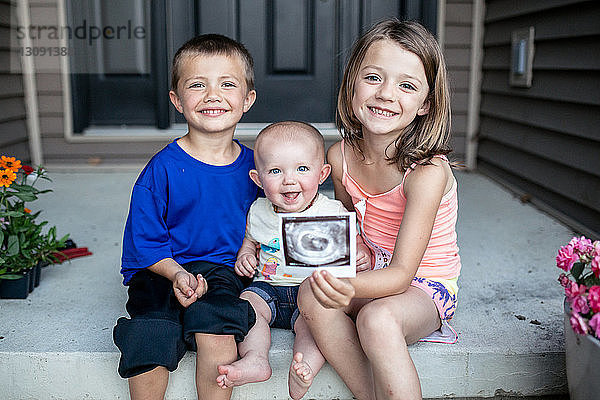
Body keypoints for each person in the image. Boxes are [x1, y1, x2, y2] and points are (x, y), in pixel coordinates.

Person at [297, 19, 461, 400]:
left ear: (426, 104)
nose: (386, 94)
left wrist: (349, 288)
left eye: (406, 85)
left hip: (424, 283)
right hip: (374, 272)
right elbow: (347, 228)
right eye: (373, 77)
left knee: (377, 319)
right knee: (310, 294)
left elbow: (403, 275)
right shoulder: (339, 158)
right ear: (353, 83)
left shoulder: (427, 172)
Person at [113, 34, 259, 400]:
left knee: (220, 323)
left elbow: (266, 221)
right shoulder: (161, 170)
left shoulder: (257, 169)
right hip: (163, 269)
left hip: (222, 270)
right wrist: (177, 273)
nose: (213, 95)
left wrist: (249, 250)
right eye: (198, 85)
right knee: (150, 331)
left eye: (228, 84)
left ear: (247, 99)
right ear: (177, 101)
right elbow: (144, 242)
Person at [215, 121, 371, 399]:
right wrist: (246, 256)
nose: (289, 179)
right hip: (268, 288)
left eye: (302, 169)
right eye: (275, 171)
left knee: (315, 326)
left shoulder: (332, 210)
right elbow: (250, 242)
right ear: (257, 178)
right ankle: (256, 359)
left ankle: (304, 369)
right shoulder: (259, 210)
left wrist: (360, 254)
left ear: (322, 174)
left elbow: (354, 243)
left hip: (310, 295)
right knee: (247, 307)